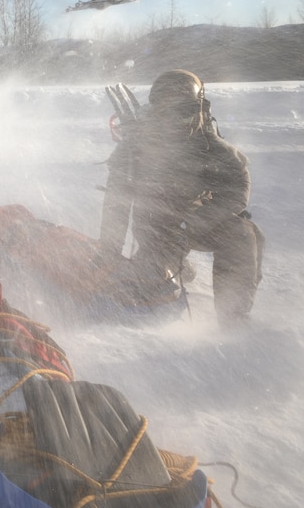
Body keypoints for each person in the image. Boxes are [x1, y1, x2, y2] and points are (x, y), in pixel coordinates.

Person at [98, 69, 264, 326]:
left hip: (199, 224)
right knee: (149, 291)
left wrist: (196, 223)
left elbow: (237, 190)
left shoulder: (211, 145)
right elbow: (116, 204)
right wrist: (109, 251)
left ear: (198, 107)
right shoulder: (133, 149)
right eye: (167, 108)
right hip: (155, 230)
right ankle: (172, 267)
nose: (175, 118)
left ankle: (234, 318)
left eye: (183, 108)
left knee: (244, 235)